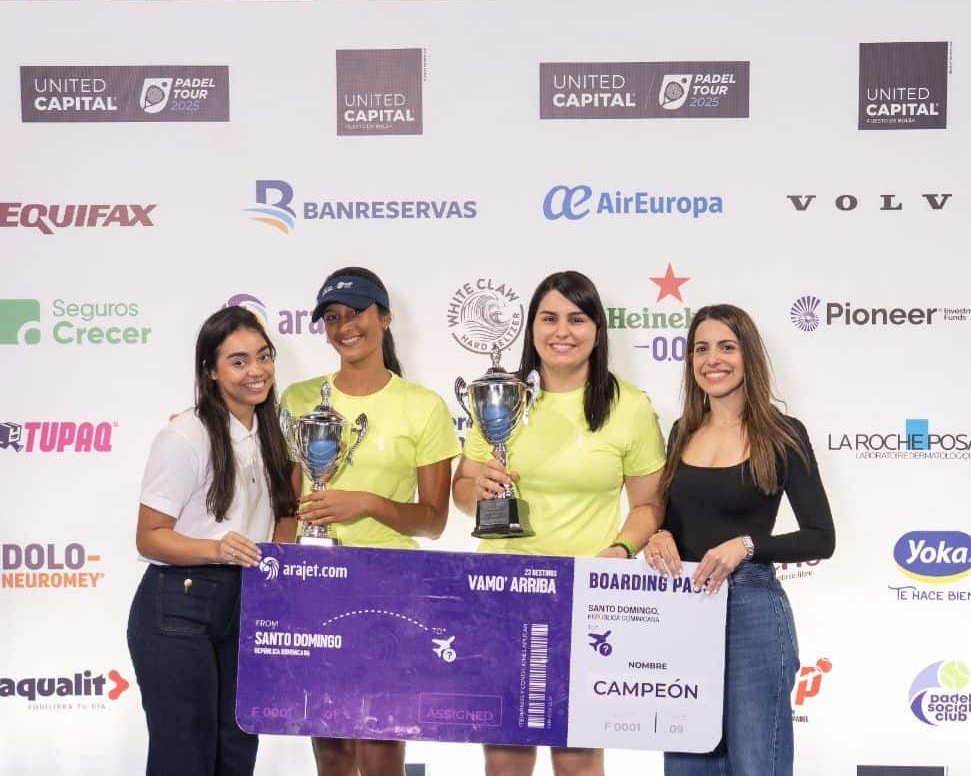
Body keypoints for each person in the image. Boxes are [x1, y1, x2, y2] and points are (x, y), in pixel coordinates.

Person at [452, 270, 667, 776]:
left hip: (582, 595)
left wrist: (619, 550)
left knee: (577, 759)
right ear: (531, 328)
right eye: (549, 318)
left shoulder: (629, 406)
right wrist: (477, 490)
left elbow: (650, 506)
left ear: (597, 329)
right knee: (505, 758)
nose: (562, 331)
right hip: (500, 591)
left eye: (577, 318)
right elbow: (462, 491)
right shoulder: (499, 396)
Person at [280, 266, 460, 776]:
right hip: (316, 588)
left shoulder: (423, 407)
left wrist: (367, 503)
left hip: (391, 591)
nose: (345, 326)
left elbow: (432, 522)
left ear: (385, 318)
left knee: (381, 752)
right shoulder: (297, 399)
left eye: (357, 312)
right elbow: (284, 508)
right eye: (332, 317)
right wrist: (283, 580)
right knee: (332, 752)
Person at [643, 304, 835, 776]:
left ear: (748, 355)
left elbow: (821, 537)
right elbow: (675, 521)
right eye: (701, 349)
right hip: (685, 609)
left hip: (752, 609)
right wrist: (660, 535)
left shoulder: (783, 434)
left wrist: (746, 546)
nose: (713, 360)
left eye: (726, 347)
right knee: (688, 766)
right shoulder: (681, 431)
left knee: (755, 765)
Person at [127, 306, 297, 776]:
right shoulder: (186, 434)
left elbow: (287, 510)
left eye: (263, 356)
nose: (256, 370)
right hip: (179, 605)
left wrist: (280, 560)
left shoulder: (275, 431)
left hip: (247, 602)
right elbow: (149, 536)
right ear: (211, 371)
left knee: (237, 751)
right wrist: (216, 548)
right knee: (185, 756)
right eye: (238, 361)